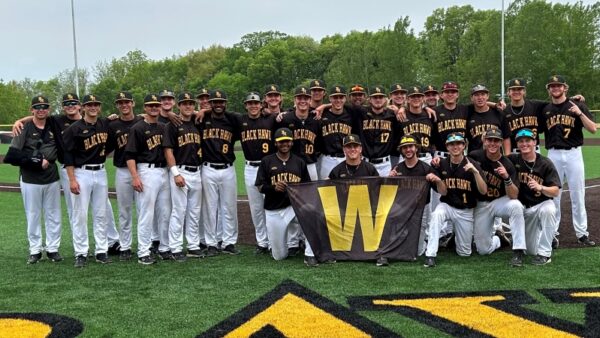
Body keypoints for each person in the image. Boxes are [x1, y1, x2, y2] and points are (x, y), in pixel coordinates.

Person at [5, 96, 62, 264]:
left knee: (53, 214)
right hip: (30, 178)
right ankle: (35, 249)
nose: (41, 109)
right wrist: (36, 161)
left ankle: (53, 249)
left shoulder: (53, 124)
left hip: (51, 176)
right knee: (33, 214)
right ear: (32, 110)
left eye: (44, 107)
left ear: (49, 109)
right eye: (37, 107)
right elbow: (12, 156)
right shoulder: (24, 128)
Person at [541, 75, 597, 246]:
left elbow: (593, 129)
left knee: (578, 194)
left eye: (559, 86)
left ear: (565, 87)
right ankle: (552, 233)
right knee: (554, 195)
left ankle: (582, 234)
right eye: (552, 86)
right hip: (553, 154)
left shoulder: (577, 105)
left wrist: (580, 113)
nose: (555, 88)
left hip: (574, 153)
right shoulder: (545, 109)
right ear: (548, 89)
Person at [63, 94, 114, 268]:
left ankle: (101, 250)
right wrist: (72, 179)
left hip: (100, 172)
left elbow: (111, 145)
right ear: (83, 107)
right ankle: (81, 253)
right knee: (80, 214)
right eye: (89, 105)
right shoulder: (74, 129)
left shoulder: (105, 124)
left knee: (101, 214)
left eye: (96, 104)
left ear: (99, 107)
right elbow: (67, 156)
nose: (93, 107)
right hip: (81, 173)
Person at [255, 128, 315, 265]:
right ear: (275, 143)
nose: (284, 144)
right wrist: (273, 187)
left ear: (292, 142)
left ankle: (310, 254)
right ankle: (282, 248)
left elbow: (307, 186)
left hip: (294, 207)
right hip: (274, 210)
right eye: (281, 142)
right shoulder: (267, 161)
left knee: (311, 213)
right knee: (279, 256)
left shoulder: (299, 162)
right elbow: (259, 186)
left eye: (287, 141)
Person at [427, 133, 487, 267]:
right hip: (447, 205)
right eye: (452, 144)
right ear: (447, 147)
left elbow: (483, 191)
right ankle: (430, 255)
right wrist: (438, 180)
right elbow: (443, 192)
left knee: (464, 253)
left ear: (464, 145)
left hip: (465, 210)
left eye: (459, 143)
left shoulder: (473, 164)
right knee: (436, 215)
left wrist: (475, 172)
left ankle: (498, 240)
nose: (455, 147)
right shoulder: (441, 164)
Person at [469, 128, 527, 267]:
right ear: (484, 140)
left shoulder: (507, 164)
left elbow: (513, 195)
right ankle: (499, 240)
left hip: (500, 201)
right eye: (490, 140)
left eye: (496, 140)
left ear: (501, 143)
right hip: (481, 204)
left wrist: (506, 178)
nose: (493, 143)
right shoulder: (475, 156)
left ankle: (518, 250)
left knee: (516, 206)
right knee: (483, 250)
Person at [125, 94, 171, 265]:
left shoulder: (162, 127)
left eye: (156, 105)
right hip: (146, 170)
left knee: (165, 212)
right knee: (146, 213)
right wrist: (135, 176)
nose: (154, 108)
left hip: (163, 172)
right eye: (150, 105)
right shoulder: (137, 128)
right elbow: (129, 155)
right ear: (144, 108)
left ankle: (164, 247)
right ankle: (144, 251)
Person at [389, 134, 445, 267]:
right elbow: (389, 195)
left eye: (410, 147)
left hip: (422, 208)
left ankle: (424, 242)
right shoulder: (398, 169)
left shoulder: (426, 168)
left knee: (418, 251)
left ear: (416, 148)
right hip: (403, 208)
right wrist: (389, 179)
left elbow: (442, 192)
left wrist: (437, 180)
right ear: (401, 150)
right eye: (404, 148)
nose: (408, 150)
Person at [508, 129, 560, 265]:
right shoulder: (512, 159)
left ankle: (545, 254)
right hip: (524, 209)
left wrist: (541, 187)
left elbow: (555, 191)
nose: (524, 144)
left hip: (541, 204)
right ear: (517, 144)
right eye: (521, 141)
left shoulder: (545, 162)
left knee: (549, 210)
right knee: (530, 251)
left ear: (534, 142)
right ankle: (546, 238)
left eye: (528, 141)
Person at [199, 89, 242, 256]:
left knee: (229, 207)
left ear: (226, 103)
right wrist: (203, 111)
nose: (218, 104)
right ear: (210, 104)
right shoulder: (202, 119)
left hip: (228, 168)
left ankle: (229, 242)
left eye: (221, 101)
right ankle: (211, 243)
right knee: (210, 208)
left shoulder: (232, 119)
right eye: (215, 102)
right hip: (208, 168)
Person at [163, 92, 204, 262]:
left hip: (197, 171)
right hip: (181, 171)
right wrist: (175, 173)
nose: (188, 106)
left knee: (194, 212)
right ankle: (176, 247)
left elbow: (206, 111)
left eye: (191, 103)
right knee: (179, 211)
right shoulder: (172, 125)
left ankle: (193, 246)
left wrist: (199, 112)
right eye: (184, 103)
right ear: (178, 106)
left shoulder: (197, 122)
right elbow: (168, 150)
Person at [239, 92, 277, 254]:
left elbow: (287, 115)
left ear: (262, 105)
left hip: (268, 167)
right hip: (250, 168)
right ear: (246, 105)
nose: (253, 106)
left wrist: (274, 112)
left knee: (271, 205)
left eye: (256, 103)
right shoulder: (240, 121)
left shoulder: (271, 119)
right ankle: (262, 242)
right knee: (256, 207)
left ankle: (274, 240)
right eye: (250, 103)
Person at [107, 91, 144, 261]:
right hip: (122, 171)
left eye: (127, 102)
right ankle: (125, 246)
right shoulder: (113, 125)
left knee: (145, 210)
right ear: (117, 105)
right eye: (120, 102)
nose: (124, 105)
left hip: (142, 169)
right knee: (125, 210)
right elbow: (105, 147)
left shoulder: (142, 120)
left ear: (133, 103)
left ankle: (147, 243)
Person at [279, 86, 322, 180]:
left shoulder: (316, 119)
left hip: (310, 164)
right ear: (294, 100)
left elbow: (319, 143)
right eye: (299, 98)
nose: (303, 101)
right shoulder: (286, 119)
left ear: (310, 100)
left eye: (306, 98)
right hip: (290, 164)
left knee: (312, 193)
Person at [318, 85, 354, 179]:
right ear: (330, 98)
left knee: (346, 188)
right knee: (326, 190)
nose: (338, 100)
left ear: (345, 98)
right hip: (327, 159)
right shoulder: (322, 114)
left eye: (341, 97)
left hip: (346, 157)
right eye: (335, 97)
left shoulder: (351, 114)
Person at [467, 84, 511, 153]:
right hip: (475, 158)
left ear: (487, 96)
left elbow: (506, 137)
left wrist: (508, 156)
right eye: (476, 95)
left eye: (483, 94)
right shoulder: (468, 113)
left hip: (495, 157)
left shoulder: (498, 113)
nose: (480, 97)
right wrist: (494, 104)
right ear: (471, 98)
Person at [400, 86, 436, 164]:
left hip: (426, 158)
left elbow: (434, 139)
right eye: (413, 96)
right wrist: (402, 108)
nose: (416, 98)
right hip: (407, 158)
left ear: (423, 98)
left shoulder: (430, 115)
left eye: (419, 96)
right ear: (408, 99)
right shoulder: (402, 115)